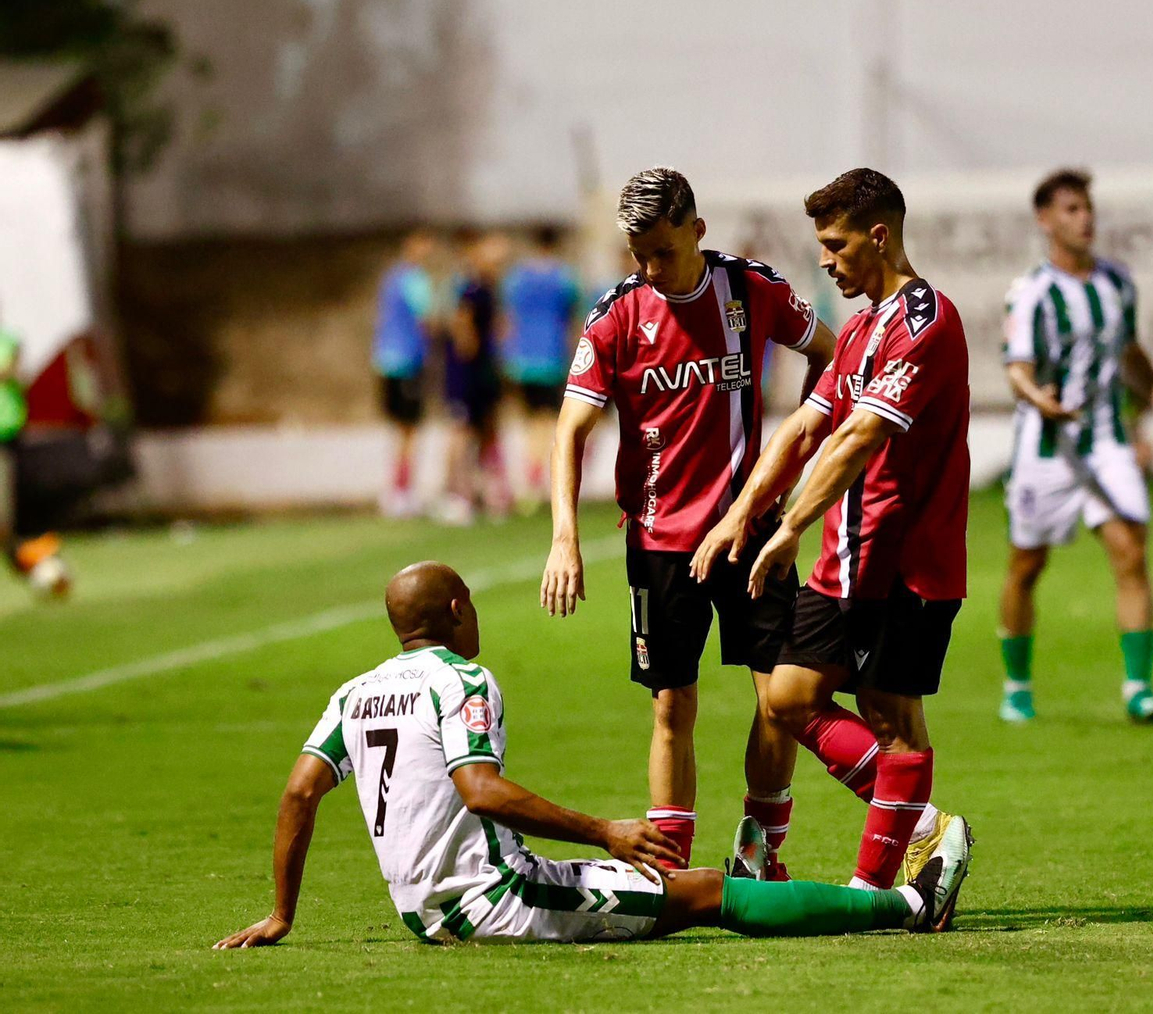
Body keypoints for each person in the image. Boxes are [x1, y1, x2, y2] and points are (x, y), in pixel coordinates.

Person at [213, 561, 969, 948]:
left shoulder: (355, 693)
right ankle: (905, 905)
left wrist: (283, 913)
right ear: (456, 610)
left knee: (667, 882)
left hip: (423, 909)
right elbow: (479, 789)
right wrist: (605, 830)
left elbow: (299, 793)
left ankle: (799, 880)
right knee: (705, 893)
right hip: (498, 899)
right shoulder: (462, 680)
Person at [540, 168, 837, 875]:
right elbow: (570, 430)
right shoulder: (615, 316)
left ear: (697, 231)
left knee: (780, 699)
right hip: (659, 542)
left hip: (750, 532)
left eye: (663, 252)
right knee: (672, 706)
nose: (650, 269)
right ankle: (670, 870)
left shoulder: (750, 289)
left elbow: (828, 352)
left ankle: (760, 854)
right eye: (638, 255)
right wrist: (564, 538)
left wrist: (795, 448)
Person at [693, 168, 972, 919]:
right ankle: (927, 827)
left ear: (878, 236)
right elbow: (807, 429)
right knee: (787, 696)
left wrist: (788, 526)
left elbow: (859, 437)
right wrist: (742, 511)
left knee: (890, 716)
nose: (826, 259)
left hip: (907, 561)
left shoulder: (925, 321)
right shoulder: (856, 330)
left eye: (836, 244)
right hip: (845, 559)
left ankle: (874, 892)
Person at [995, 169, 1153, 725]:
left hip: (1107, 442)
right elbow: (1016, 368)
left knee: (1130, 550)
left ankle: (1139, 687)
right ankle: (1017, 685)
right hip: (1047, 449)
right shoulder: (1032, 292)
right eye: (1071, 209)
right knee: (1027, 565)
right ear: (1045, 220)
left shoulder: (1116, 282)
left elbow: (1130, 353)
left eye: (1087, 208)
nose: (1085, 219)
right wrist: (1038, 397)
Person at [501, 226, 586, 507]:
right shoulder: (564, 278)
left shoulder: (517, 278)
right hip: (552, 358)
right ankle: (540, 479)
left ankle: (530, 479)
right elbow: (575, 320)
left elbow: (508, 320)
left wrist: (507, 354)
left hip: (522, 360)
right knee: (550, 421)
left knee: (529, 421)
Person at [440, 233, 512, 526]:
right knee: (461, 432)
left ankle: (482, 492)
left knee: (486, 433)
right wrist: (469, 359)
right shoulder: (469, 291)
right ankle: (454, 494)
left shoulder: (489, 291)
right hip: (468, 374)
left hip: (483, 373)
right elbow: (462, 327)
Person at [371, 229, 437, 519]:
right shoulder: (416, 280)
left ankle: (396, 489)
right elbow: (427, 320)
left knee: (399, 427)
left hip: (386, 359)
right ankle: (402, 490)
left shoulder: (390, 278)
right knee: (409, 429)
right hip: (408, 360)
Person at [0, 321, 69, 597]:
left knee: (8, 516)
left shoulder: (7, 340)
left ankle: (36, 562)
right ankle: (35, 563)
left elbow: (13, 371)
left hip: (6, 439)